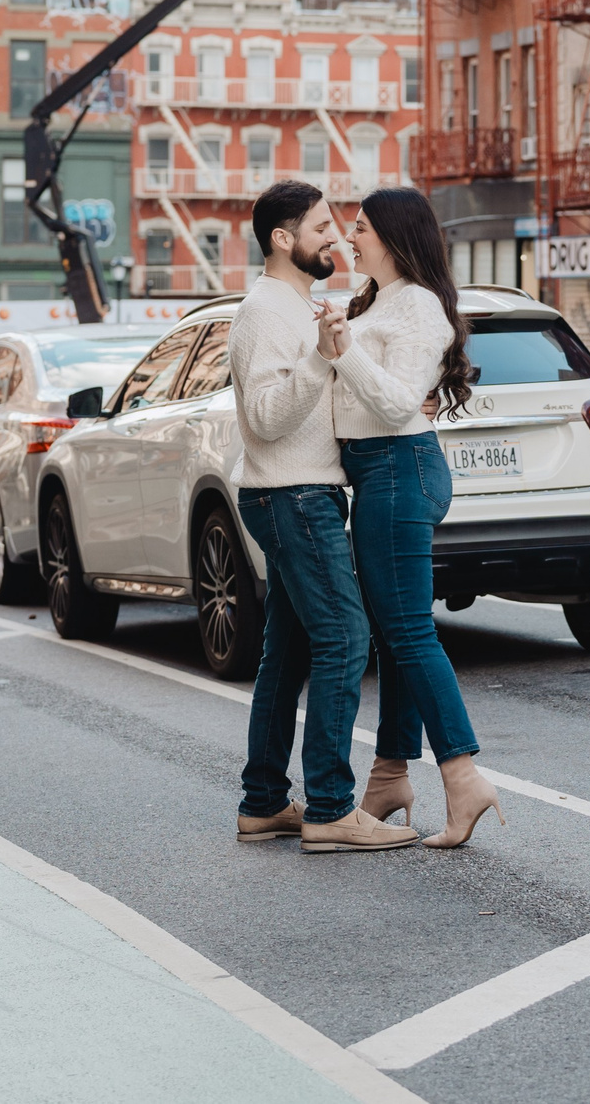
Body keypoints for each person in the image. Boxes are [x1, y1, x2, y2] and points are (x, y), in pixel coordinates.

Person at [227, 180, 418, 854]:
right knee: (344, 635)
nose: (334, 238)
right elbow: (266, 417)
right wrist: (321, 356)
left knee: (292, 647)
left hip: (302, 493)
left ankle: (264, 800)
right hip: (293, 494)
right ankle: (333, 807)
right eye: (320, 228)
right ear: (284, 239)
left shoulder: (296, 304)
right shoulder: (263, 311)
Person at [321, 186, 502, 848]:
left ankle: (463, 774)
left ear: (397, 236)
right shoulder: (375, 299)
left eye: (362, 228)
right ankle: (390, 772)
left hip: (399, 467)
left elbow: (398, 402)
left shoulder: (421, 306)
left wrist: (344, 351)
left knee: (406, 630)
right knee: (396, 630)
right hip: (378, 470)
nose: (352, 238)